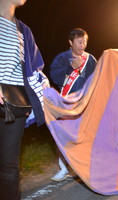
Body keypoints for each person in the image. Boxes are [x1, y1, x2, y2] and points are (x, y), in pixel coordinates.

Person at [0, 0, 49, 199]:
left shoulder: (24, 30)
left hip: (16, 106)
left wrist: (43, 82)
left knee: (9, 166)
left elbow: (34, 67)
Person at [49, 28, 97, 181]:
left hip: (84, 105)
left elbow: (97, 80)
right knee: (62, 136)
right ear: (71, 42)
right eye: (79, 42)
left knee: (84, 136)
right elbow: (54, 77)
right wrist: (71, 68)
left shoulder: (90, 60)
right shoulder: (62, 58)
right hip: (66, 104)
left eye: (85, 42)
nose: (83, 45)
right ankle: (63, 168)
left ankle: (81, 167)